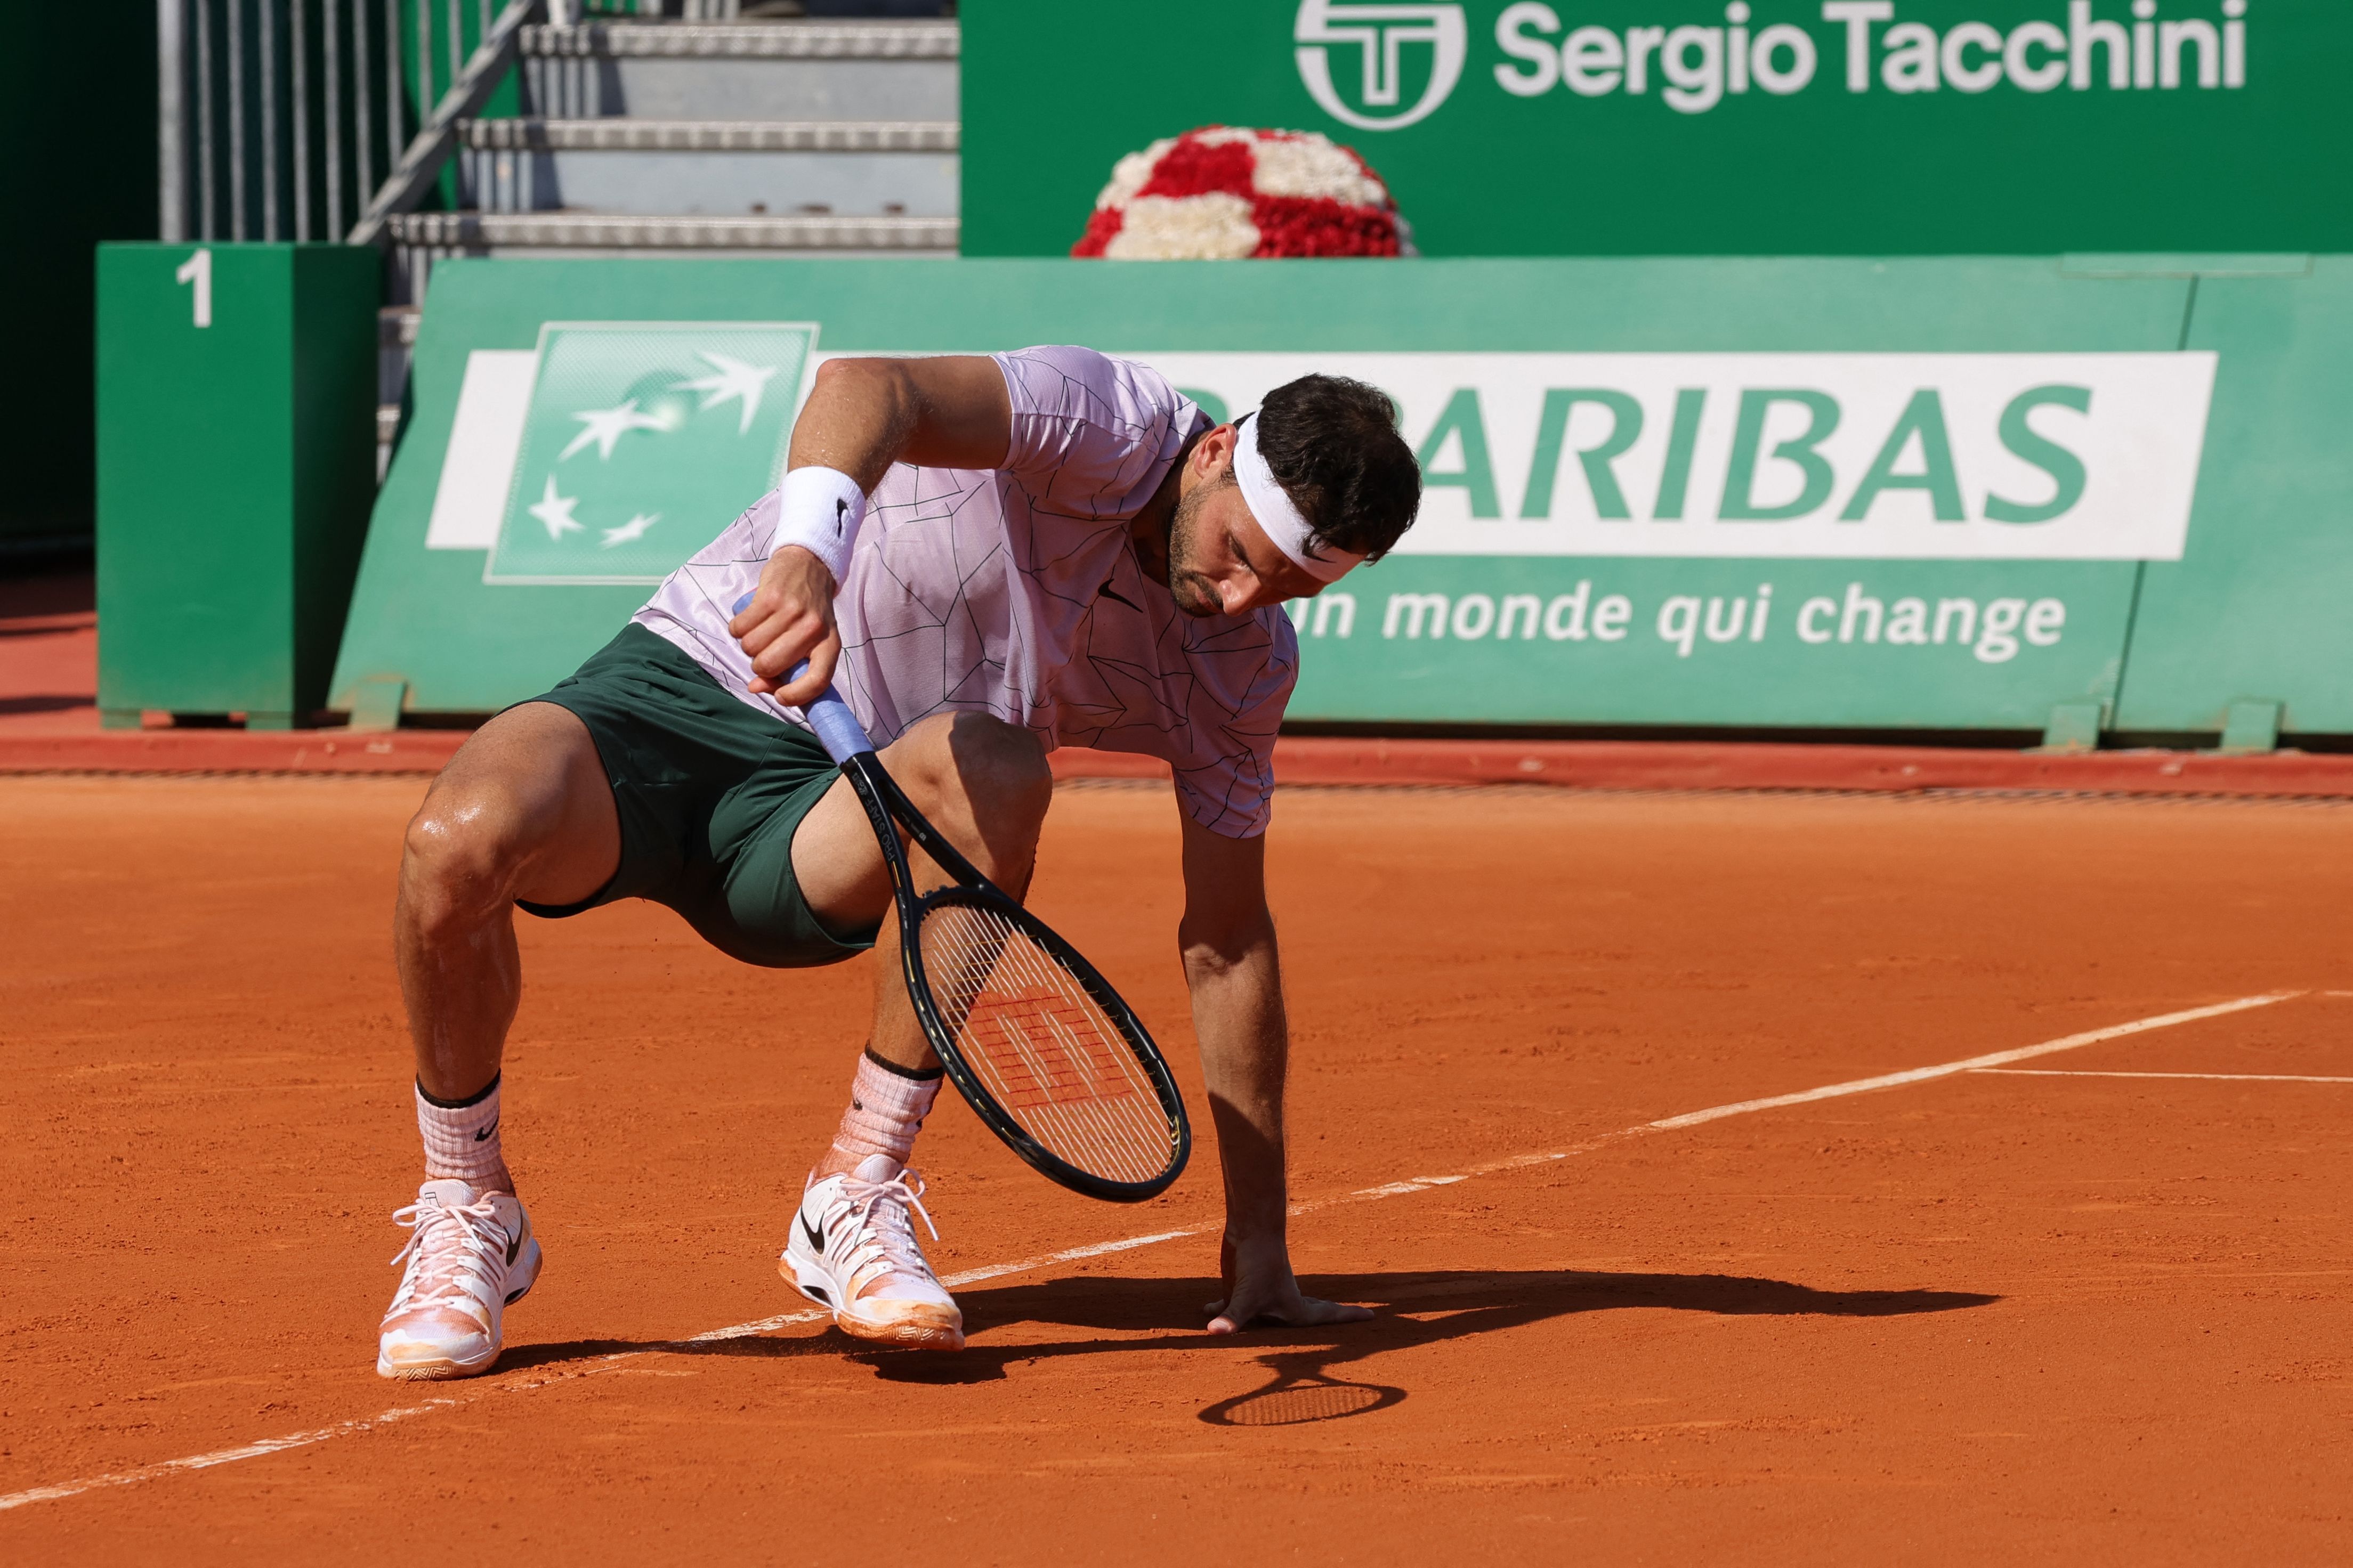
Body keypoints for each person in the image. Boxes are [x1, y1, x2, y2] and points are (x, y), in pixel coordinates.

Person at [376, 345, 1422, 1379]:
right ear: (1216, 455)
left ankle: (857, 1186)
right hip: (680, 694)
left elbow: (1229, 942)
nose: (1242, 599)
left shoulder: (1240, 669)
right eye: (1245, 553)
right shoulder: (1112, 419)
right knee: (455, 842)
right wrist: (807, 560)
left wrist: (1261, 1236)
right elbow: (868, 386)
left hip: (826, 828)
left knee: (1001, 771)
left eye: (1288, 587)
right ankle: (470, 1203)